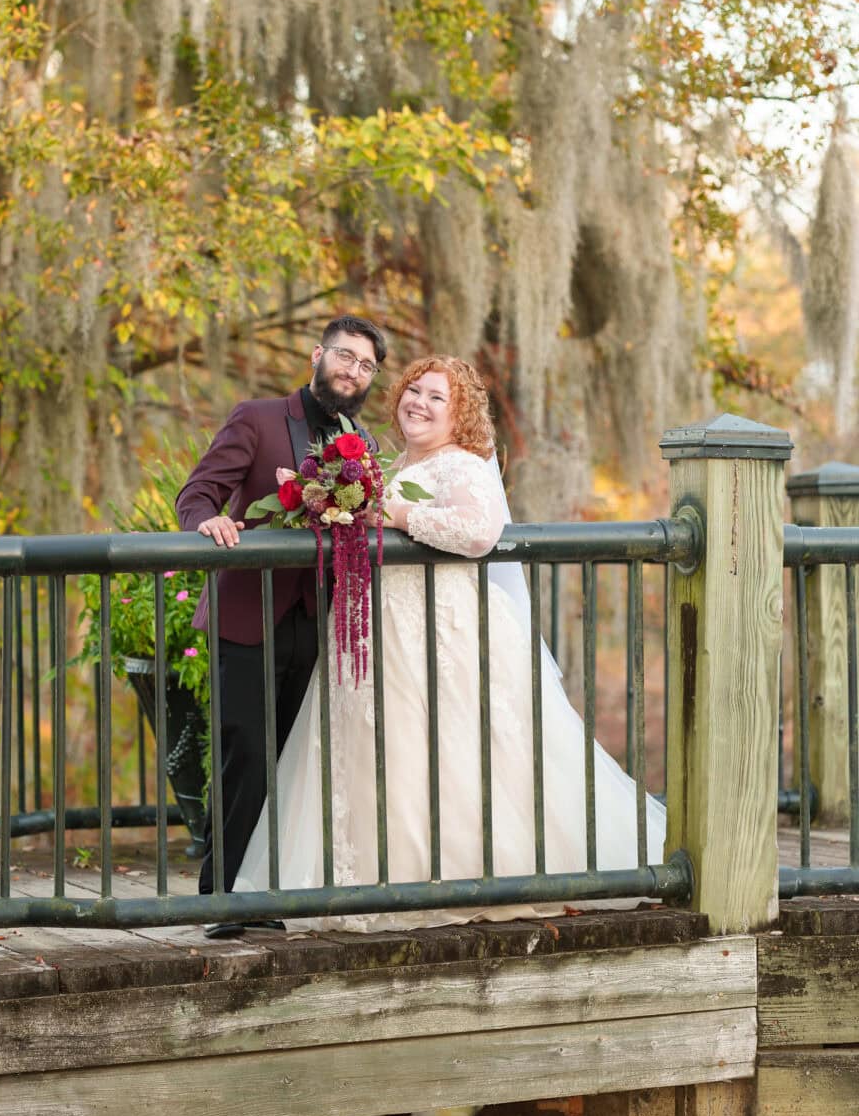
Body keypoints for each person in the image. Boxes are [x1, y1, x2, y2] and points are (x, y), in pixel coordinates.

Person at [234, 354, 667, 930]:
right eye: (413, 391)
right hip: (379, 631)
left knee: (453, 748)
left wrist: (386, 509)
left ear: (458, 413)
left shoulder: (462, 465)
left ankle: (465, 873)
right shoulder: (389, 465)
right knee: (382, 750)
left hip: (445, 631)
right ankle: (379, 878)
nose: (419, 402)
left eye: (437, 397)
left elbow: (478, 532)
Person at [175, 315, 387, 908]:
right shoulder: (258, 417)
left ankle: (272, 894)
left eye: (366, 365)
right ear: (318, 355)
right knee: (245, 752)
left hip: (315, 621)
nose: (353, 370)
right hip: (247, 616)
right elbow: (196, 493)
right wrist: (206, 521)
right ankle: (224, 897)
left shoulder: (364, 445)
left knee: (293, 760)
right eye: (346, 356)